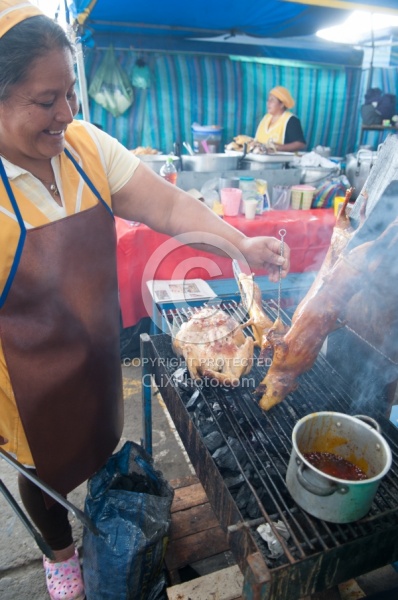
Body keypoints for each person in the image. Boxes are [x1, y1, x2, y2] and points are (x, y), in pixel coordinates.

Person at [0, 2, 290, 599]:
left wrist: (239, 245)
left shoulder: (83, 145)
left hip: (96, 350)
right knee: (43, 474)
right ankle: (60, 559)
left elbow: (165, 204)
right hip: (22, 378)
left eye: (71, 92)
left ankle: (105, 520)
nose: (67, 112)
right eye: (45, 99)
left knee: (101, 437)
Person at [255, 86, 306, 153]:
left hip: (283, 162)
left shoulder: (291, 120)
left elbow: (301, 144)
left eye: (272, 100)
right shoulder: (266, 118)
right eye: (268, 100)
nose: (268, 103)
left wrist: (279, 147)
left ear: (282, 104)